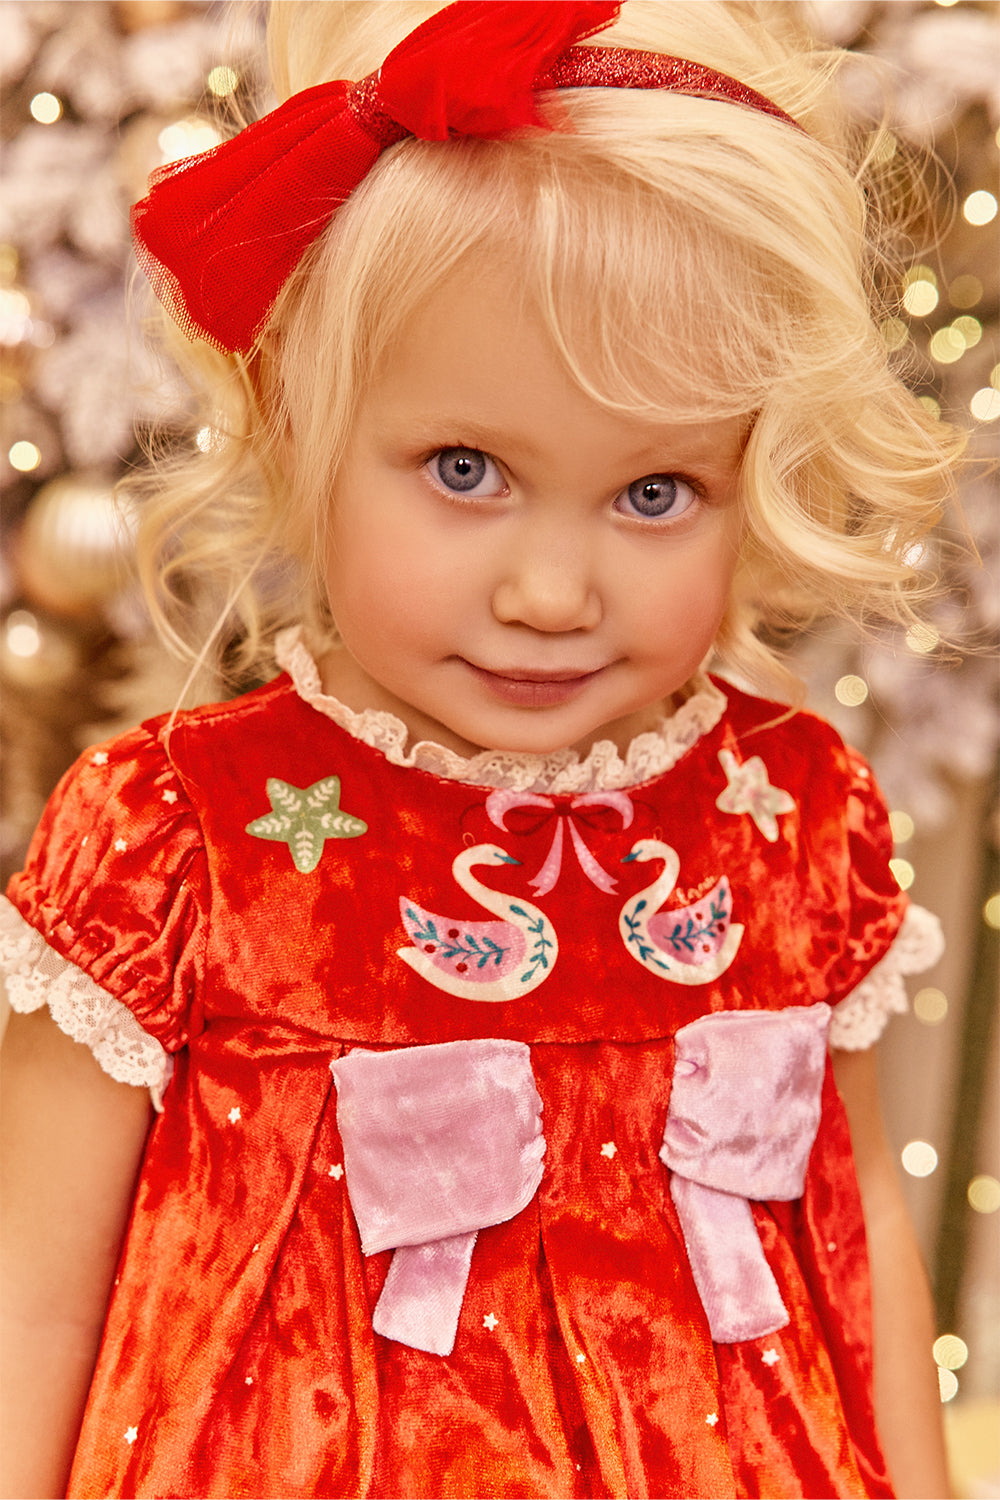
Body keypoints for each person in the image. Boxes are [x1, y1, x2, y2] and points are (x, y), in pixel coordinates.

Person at [0, 3, 964, 1496]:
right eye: (468, 472)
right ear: (297, 412)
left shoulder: (791, 816)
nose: (552, 595)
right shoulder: (176, 832)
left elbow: (861, 1241)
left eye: (654, 492)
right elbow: (36, 1307)